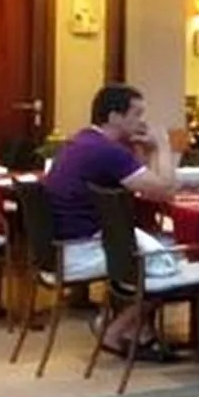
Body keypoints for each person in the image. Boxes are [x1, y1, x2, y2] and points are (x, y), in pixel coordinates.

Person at [42, 84, 181, 359]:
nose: (142, 121)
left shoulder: (83, 141)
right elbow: (164, 187)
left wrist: (146, 150)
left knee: (146, 246)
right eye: (136, 113)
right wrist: (164, 145)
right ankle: (115, 331)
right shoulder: (106, 152)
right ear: (115, 116)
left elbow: (139, 180)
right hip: (81, 251)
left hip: (61, 246)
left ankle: (138, 331)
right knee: (171, 262)